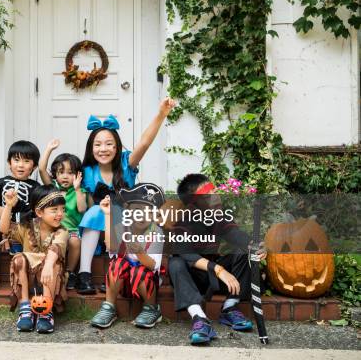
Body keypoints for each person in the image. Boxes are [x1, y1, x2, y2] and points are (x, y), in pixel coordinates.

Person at [76, 98, 176, 294]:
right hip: (99, 222)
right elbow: (86, 206)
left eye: (108, 144)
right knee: (95, 210)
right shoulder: (87, 170)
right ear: (91, 147)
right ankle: (84, 274)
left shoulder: (126, 162)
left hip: (125, 221)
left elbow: (145, 143)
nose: (103, 149)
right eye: (97, 144)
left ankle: (118, 270)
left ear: (117, 146)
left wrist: (161, 114)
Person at [168, 173, 267, 345]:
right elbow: (186, 254)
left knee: (243, 252)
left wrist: (255, 246)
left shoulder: (218, 217)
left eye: (214, 192)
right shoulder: (183, 223)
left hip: (214, 278)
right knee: (175, 263)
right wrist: (219, 270)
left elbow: (235, 235)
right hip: (193, 280)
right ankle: (199, 318)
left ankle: (229, 307)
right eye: (207, 196)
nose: (215, 198)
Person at [90, 183, 165, 329]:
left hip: (146, 282)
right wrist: (107, 215)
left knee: (140, 271)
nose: (142, 215)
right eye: (137, 210)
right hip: (124, 284)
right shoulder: (122, 228)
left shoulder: (156, 232)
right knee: (117, 264)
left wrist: (138, 251)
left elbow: (152, 265)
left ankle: (151, 308)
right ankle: (109, 307)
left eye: (148, 211)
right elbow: (111, 247)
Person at [0, 185, 69, 333]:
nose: (60, 214)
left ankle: (46, 311)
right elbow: (4, 229)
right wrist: (8, 206)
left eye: (62, 209)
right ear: (39, 212)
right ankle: (25, 307)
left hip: (50, 279)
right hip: (28, 280)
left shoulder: (62, 231)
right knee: (19, 259)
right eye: (54, 210)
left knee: (53, 262)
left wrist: (48, 264)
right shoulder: (27, 226)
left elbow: (55, 248)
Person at [0, 140, 40, 291]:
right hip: (0, 223)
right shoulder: (1, 183)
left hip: (23, 226)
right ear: (9, 163)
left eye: (26, 161)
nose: (20, 165)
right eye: (16, 160)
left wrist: (19, 218)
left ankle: (27, 274)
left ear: (34, 166)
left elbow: (38, 208)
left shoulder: (35, 188)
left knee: (30, 234)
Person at [38, 140, 88, 290]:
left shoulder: (81, 191)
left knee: (75, 242)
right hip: (53, 230)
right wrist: (49, 149)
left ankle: (70, 273)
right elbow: (41, 169)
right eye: (61, 172)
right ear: (55, 175)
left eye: (70, 172)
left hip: (71, 231)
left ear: (78, 175)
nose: (65, 176)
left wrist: (78, 189)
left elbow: (82, 209)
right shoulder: (53, 189)